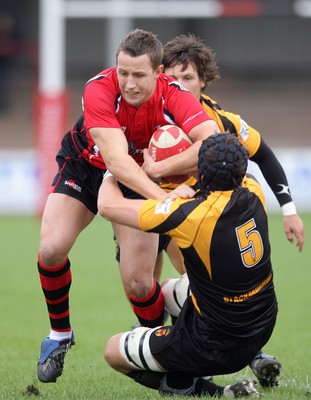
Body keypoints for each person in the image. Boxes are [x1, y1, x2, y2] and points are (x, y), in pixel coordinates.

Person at [36, 29, 219, 383]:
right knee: (51, 248)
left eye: (138, 74)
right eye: (123, 72)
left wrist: (161, 170)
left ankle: (152, 341)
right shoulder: (99, 89)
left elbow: (210, 143)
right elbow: (117, 162)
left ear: (159, 72)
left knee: (138, 282)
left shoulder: (174, 94)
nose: (129, 83)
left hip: (140, 179)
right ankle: (59, 335)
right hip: (87, 167)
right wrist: (163, 197)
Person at [100, 133, 278, 398]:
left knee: (112, 350)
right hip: (262, 325)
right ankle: (189, 360)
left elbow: (107, 206)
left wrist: (113, 169)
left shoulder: (188, 215)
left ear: (200, 173)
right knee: (170, 290)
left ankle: (215, 391)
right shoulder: (254, 189)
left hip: (215, 347)